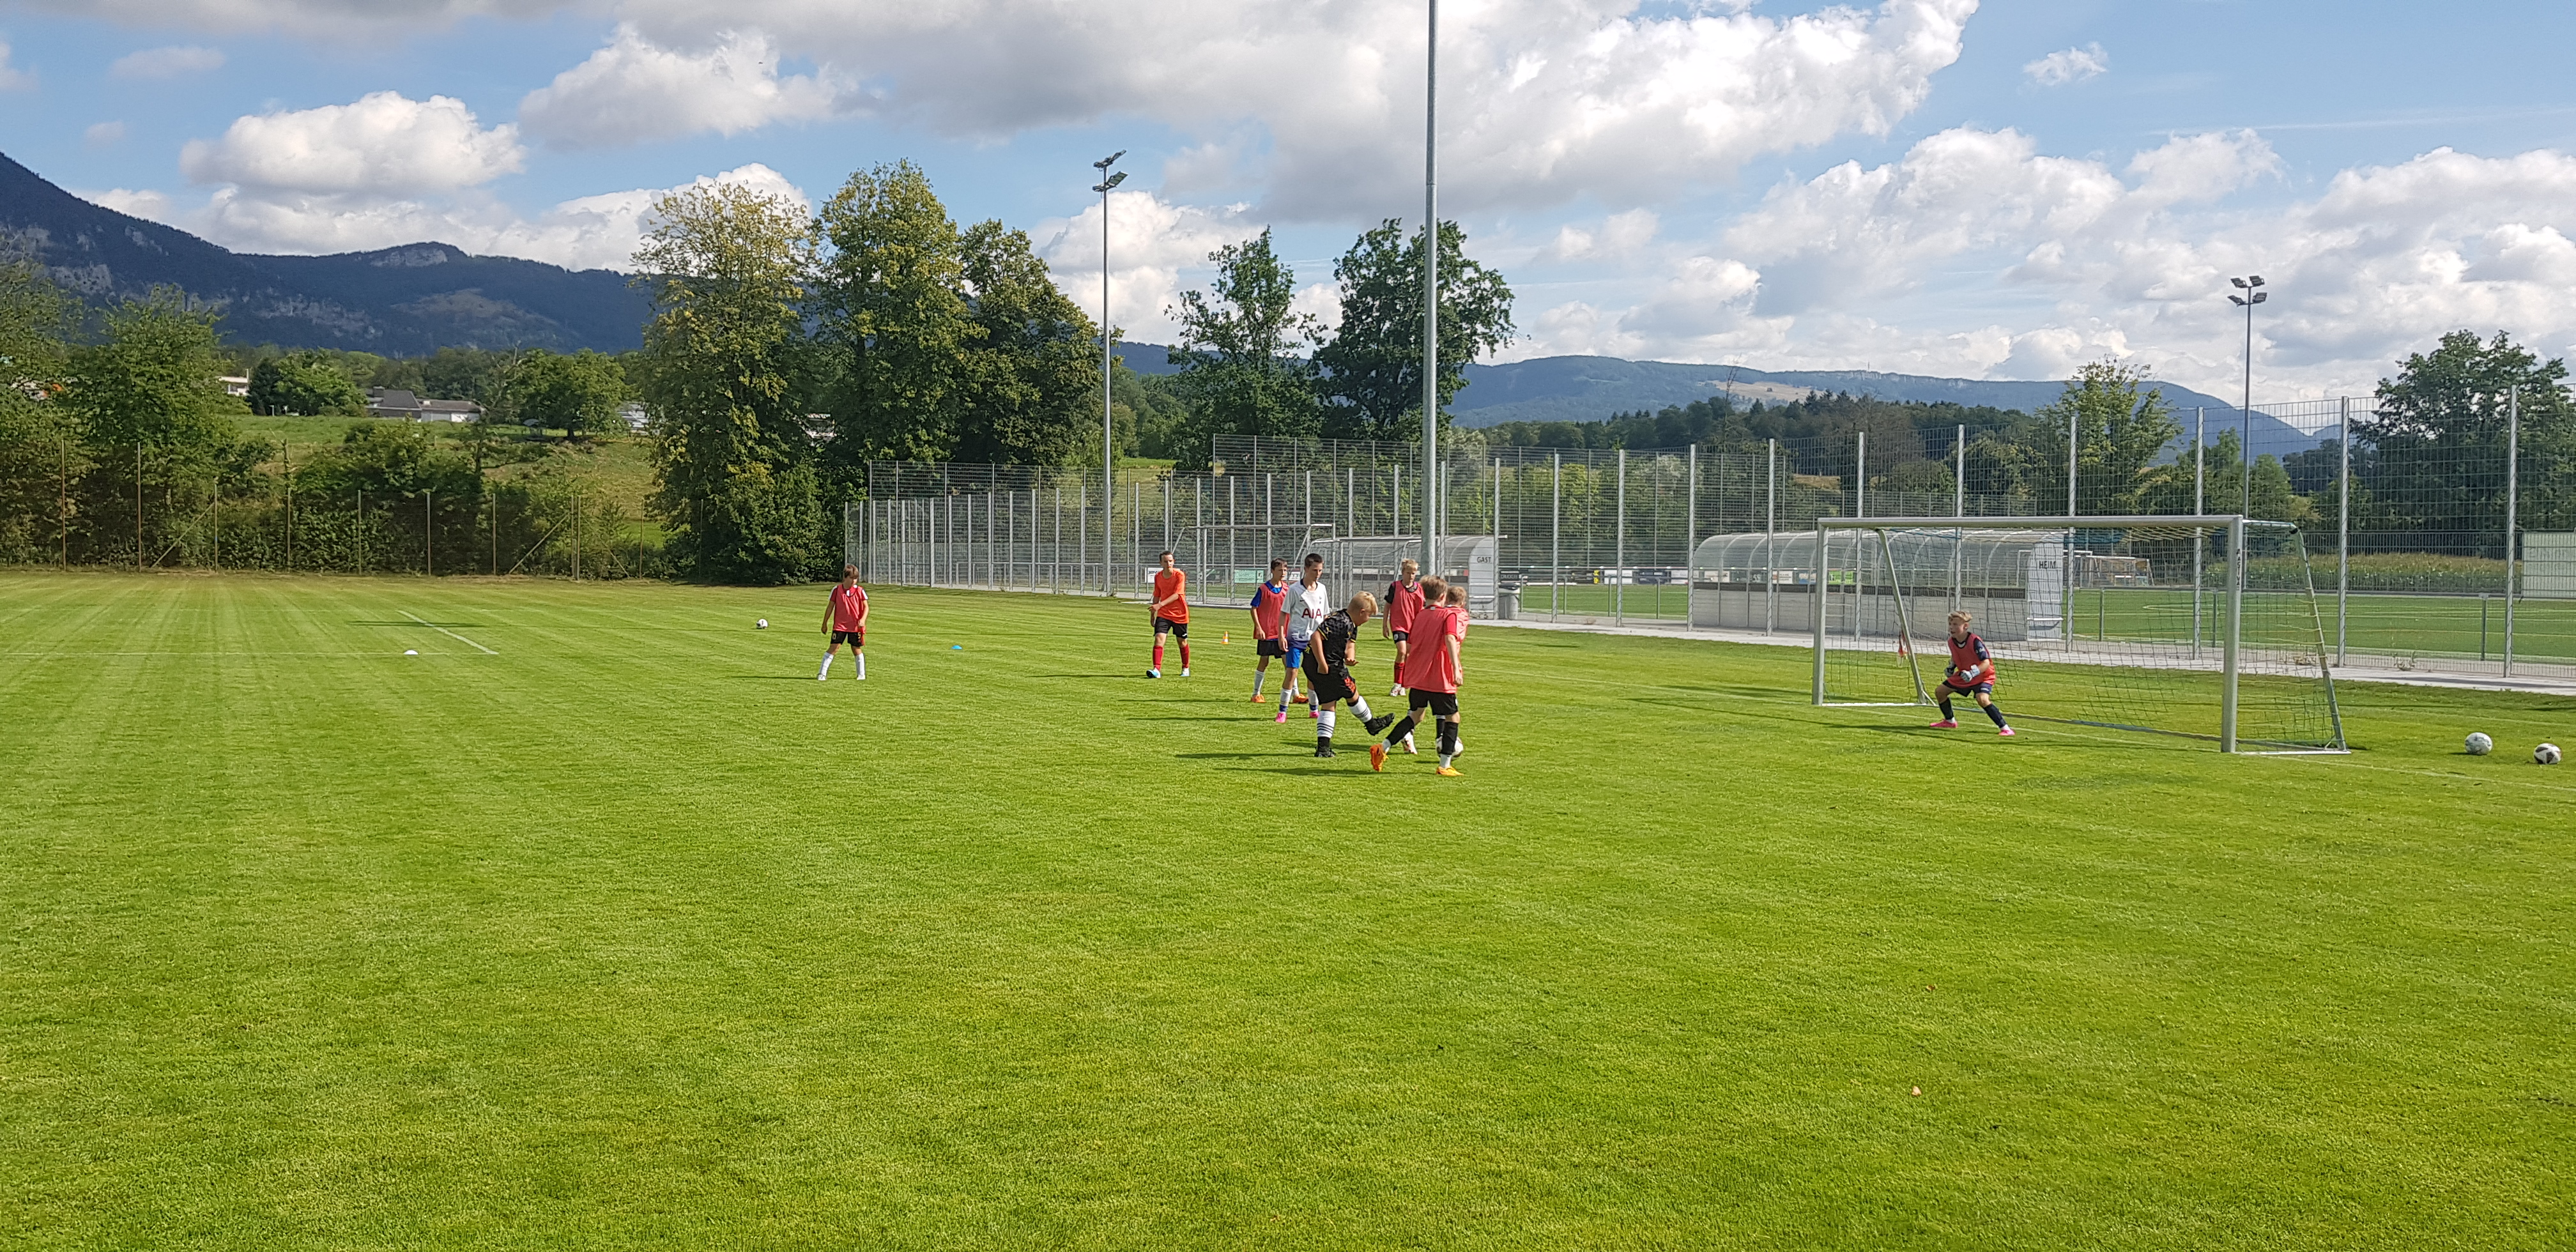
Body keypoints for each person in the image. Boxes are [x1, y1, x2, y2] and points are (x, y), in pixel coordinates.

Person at [1368, 575, 1468, 775]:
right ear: (1443, 596)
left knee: (1416, 716)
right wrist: (1456, 669)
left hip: (1419, 677)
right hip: (1440, 676)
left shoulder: (1420, 616)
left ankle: (1383, 747)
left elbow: (1411, 645)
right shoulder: (1448, 616)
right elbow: (1450, 638)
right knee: (1453, 717)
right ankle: (1445, 765)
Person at [1301, 592, 1382, 758]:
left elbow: (1350, 644)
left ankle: (1323, 748)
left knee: (1329, 702)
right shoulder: (1341, 621)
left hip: (1312, 663)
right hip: (1327, 664)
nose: (1368, 620)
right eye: (1369, 615)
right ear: (1361, 612)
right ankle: (1371, 724)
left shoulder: (1351, 623)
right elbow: (1315, 637)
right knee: (1352, 691)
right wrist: (1322, 663)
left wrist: (1350, 657)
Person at [1931, 610, 2014, 737]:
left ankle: (2005, 728)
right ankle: (1950, 721)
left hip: (1983, 676)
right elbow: (1956, 655)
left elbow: (1986, 663)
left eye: (1955, 625)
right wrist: (1951, 667)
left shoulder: (1975, 641)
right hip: (1964, 675)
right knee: (1940, 692)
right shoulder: (1951, 641)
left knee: (1982, 699)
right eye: (1950, 624)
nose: (1951, 628)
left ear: (1965, 626)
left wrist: (1972, 673)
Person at [1275, 552, 1330, 724]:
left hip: (1315, 640)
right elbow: (1284, 614)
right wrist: (1281, 635)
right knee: (1292, 671)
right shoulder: (1294, 590)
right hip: (1296, 638)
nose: (1318, 574)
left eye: (1320, 570)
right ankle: (1282, 711)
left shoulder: (1322, 589)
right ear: (1306, 569)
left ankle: (1314, 709)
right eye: (1315, 570)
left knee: (1313, 674)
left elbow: (1325, 615)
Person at [1248, 558, 1292, 701]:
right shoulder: (1264, 589)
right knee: (1264, 662)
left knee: (1289, 662)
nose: (1283, 573)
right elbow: (1254, 608)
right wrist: (1258, 627)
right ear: (1272, 571)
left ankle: (1296, 694)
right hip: (1267, 633)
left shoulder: (1287, 590)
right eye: (1280, 570)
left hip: (1282, 634)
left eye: (1285, 570)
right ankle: (1256, 694)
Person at [1383, 558, 1424, 698]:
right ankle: (1397, 684)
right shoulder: (1395, 587)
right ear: (1403, 572)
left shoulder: (1419, 589)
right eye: (1408, 573)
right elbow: (1388, 606)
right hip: (1399, 626)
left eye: (1413, 573)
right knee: (1402, 651)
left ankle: (1403, 684)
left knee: (1408, 656)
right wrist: (1385, 625)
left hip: (1414, 627)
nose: (1411, 576)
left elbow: (1422, 609)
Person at [818, 565, 868, 681]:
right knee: (834, 648)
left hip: (854, 626)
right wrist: (825, 623)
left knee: (856, 649)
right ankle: (822, 674)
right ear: (845, 577)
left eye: (856, 578)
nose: (854, 581)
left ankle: (861, 674)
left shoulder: (860, 591)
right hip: (840, 626)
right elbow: (830, 607)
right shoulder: (837, 590)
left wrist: (863, 620)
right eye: (851, 578)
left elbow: (866, 607)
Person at [1147, 550, 1190, 678]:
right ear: (1161, 563)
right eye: (1165, 561)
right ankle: (1157, 670)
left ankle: (1186, 667)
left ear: (1173, 562)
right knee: (1159, 638)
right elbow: (1157, 594)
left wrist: (1160, 605)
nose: (1168, 564)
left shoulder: (1179, 575)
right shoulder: (1158, 577)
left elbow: (1177, 595)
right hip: (1164, 614)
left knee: (1182, 642)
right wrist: (1153, 612)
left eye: (1170, 561)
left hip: (1180, 614)